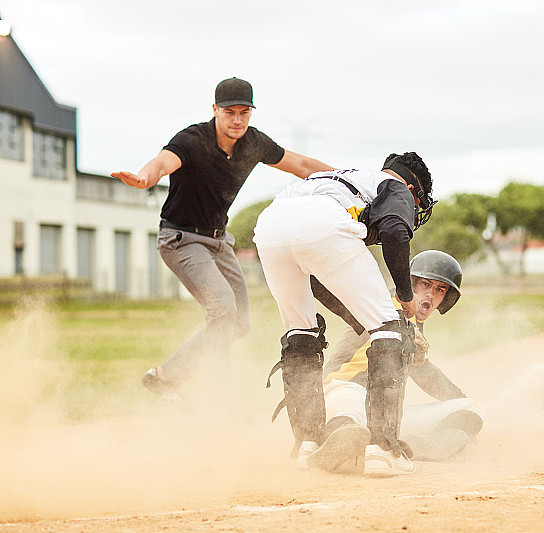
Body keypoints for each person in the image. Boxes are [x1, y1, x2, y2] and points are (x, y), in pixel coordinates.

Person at [111, 77, 333, 401]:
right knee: (223, 310)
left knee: (238, 323)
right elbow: (163, 162)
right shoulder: (193, 140)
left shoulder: (253, 143)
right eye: (230, 112)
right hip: (181, 238)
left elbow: (299, 164)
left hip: (219, 241)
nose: (238, 120)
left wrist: (346, 179)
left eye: (245, 112)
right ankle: (215, 397)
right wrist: (146, 177)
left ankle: (166, 377)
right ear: (215, 110)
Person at [253, 152, 435, 475]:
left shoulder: (345, 180)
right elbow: (394, 231)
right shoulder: (394, 187)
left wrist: (359, 321)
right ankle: (384, 448)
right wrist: (405, 298)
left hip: (269, 227)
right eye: (417, 203)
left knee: (301, 332)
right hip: (322, 223)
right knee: (390, 328)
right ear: (411, 188)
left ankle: (307, 443)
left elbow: (318, 279)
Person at [309, 250, 484, 476]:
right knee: (352, 416)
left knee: (470, 408)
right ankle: (334, 441)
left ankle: (416, 447)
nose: (430, 294)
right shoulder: (385, 305)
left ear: (445, 298)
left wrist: (460, 408)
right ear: (409, 283)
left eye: (440, 290)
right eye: (425, 284)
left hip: (385, 415)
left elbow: (427, 375)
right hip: (345, 389)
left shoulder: (413, 319)